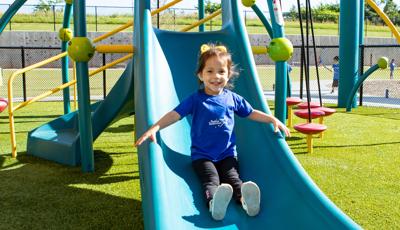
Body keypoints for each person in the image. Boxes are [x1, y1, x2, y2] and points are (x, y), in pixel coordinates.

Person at [135, 43, 290, 221]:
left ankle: (245, 201)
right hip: (202, 155)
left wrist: (272, 119)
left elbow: (251, 112)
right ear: (200, 75)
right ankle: (214, 203)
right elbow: (174, 115)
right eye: (210, 71)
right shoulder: (195, 100)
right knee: (211, 179)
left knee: (233, 178)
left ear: (228, 74)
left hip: (227, 153)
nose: (216, 76)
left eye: (221, 71)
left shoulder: (232, 98)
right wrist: (155, 127)